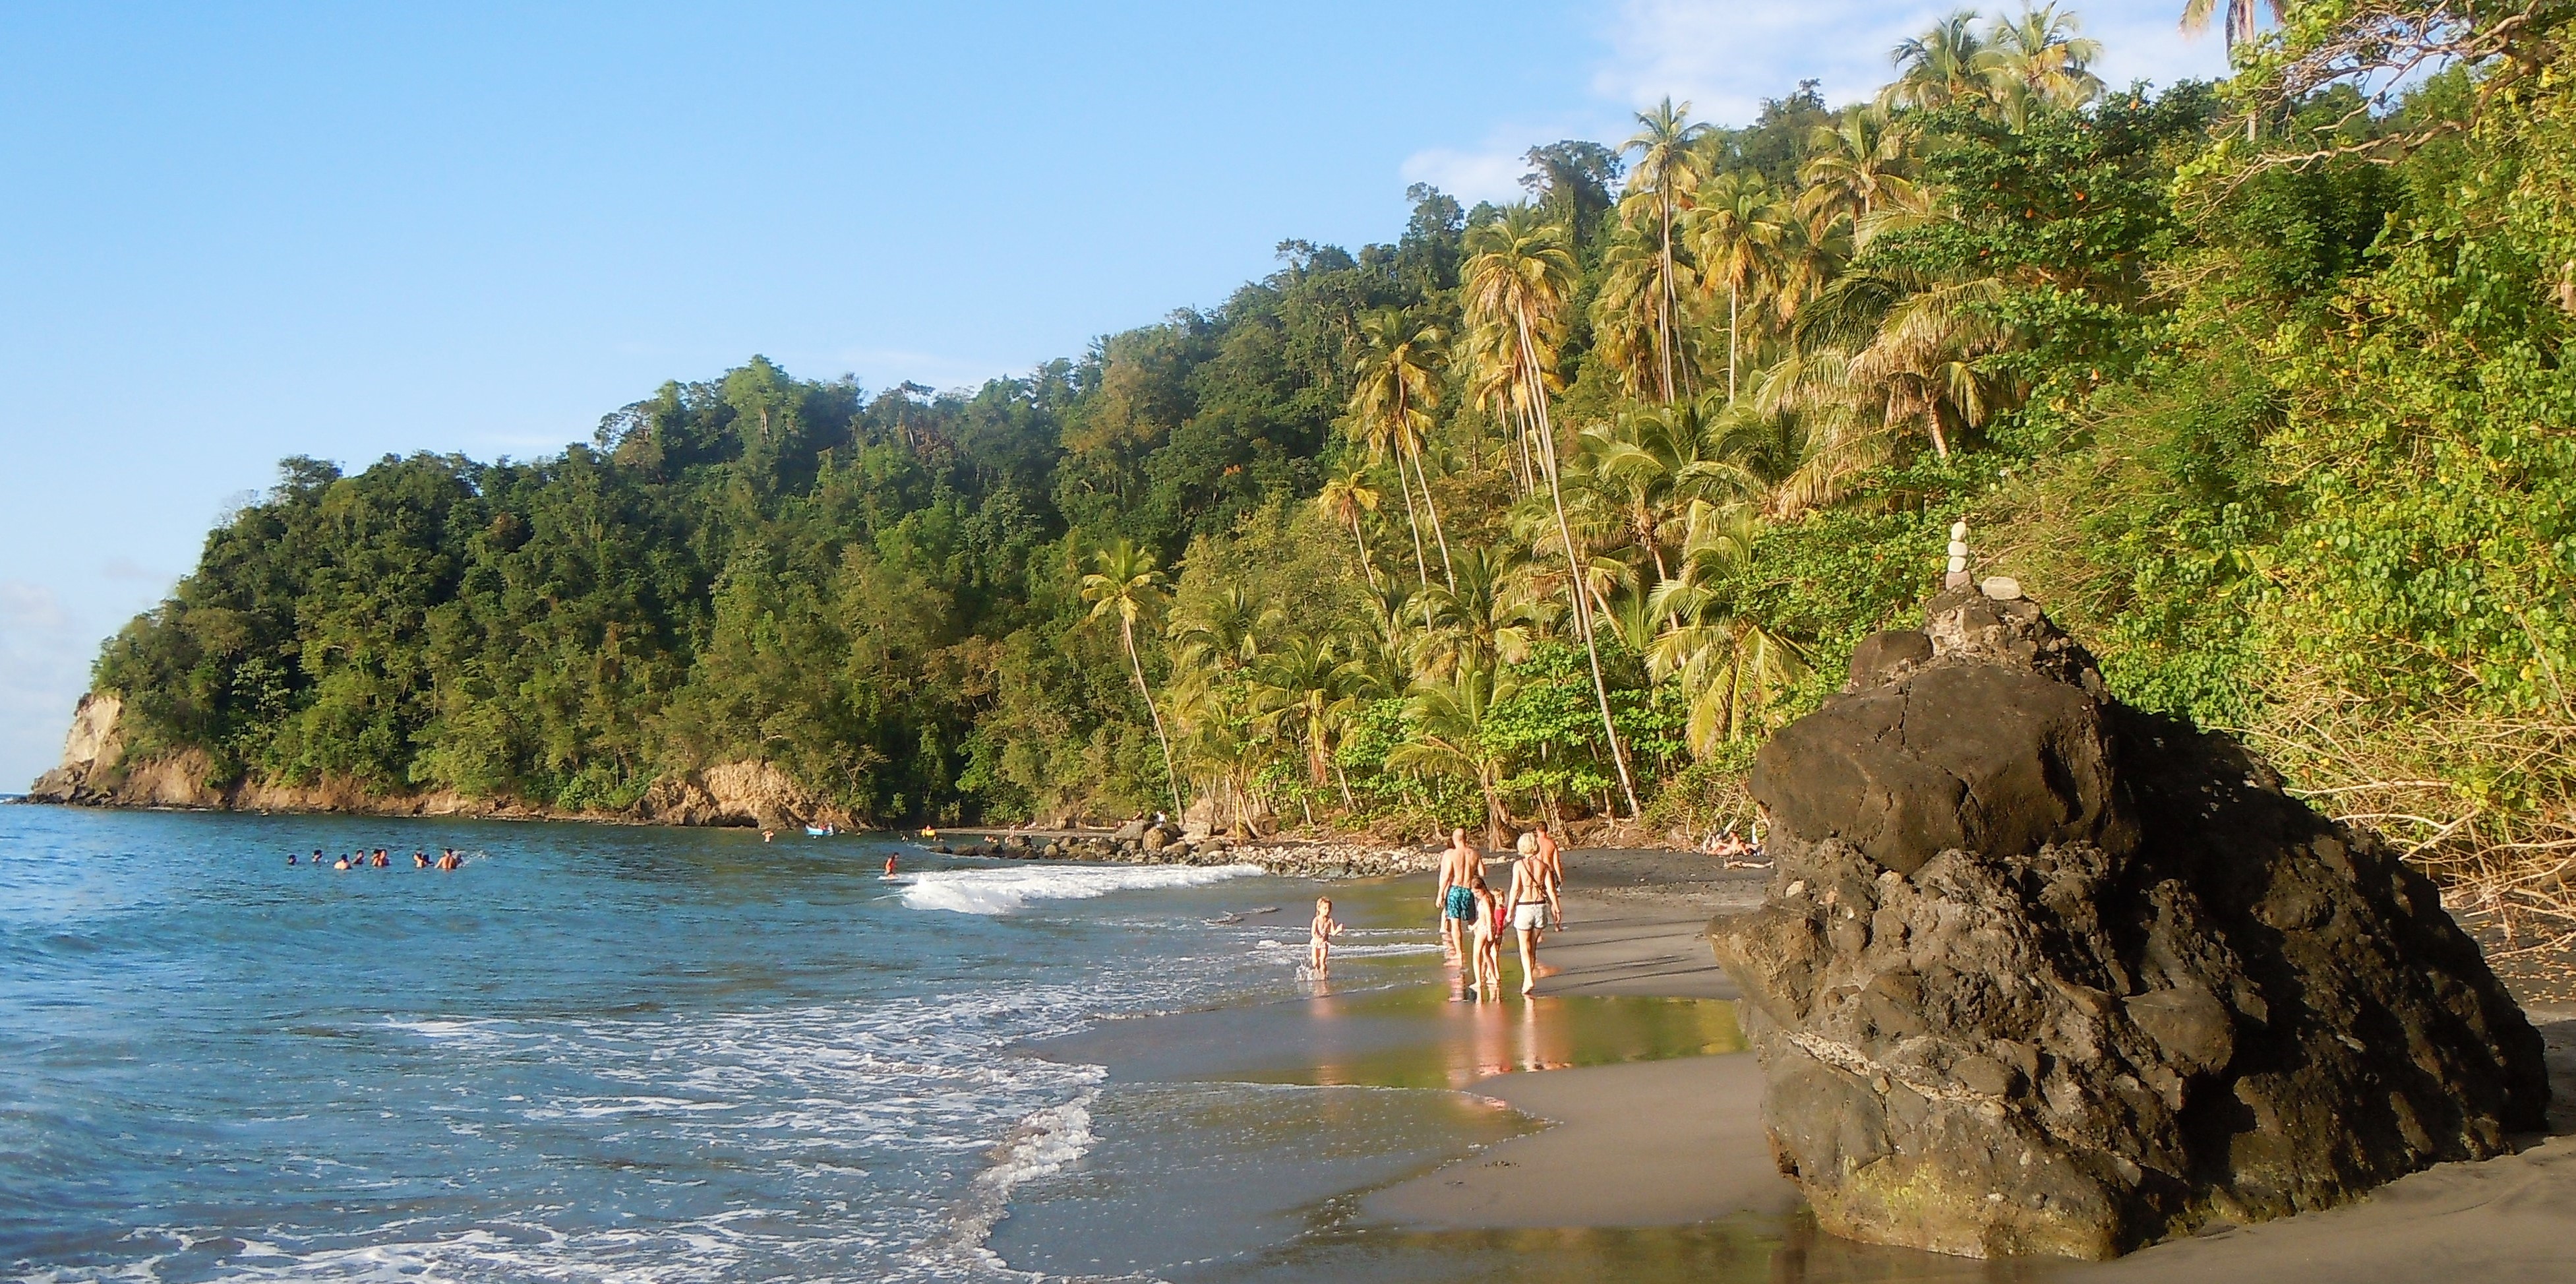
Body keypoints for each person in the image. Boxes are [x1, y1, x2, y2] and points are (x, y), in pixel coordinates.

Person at [1434, 828, 1482, 964]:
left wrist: (1440, 894)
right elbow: (1483, 873)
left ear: (1455, 840)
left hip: (1455, 890)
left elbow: (1447, 876)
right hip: (1468, 890)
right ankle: (1482, 948)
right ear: (1466, 838)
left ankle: (1460, 954)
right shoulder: (1474, 854)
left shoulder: (1452, 855)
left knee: (1456, 924)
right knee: (1473, 922)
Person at [1507, 849, 1552, 995]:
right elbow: (1550, 889)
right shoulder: (1544, 865)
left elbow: (1515, 889)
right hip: (1540, 905)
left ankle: (1528, 977)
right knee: (1532, 946)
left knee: (1524, 946)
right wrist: (1556, 907)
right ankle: (1529, 976)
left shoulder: (1519, 865)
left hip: (1525, 905)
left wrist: (1510, 911)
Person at [1470, 876, 1505, 1000]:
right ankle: (1494, 978)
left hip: (1486, 928)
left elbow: (1489, 916)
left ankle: (1479, 981)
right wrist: (1474, 925)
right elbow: (1483, 915)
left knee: (1476, 954)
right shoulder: (1490, 896)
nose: (1476, 895)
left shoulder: (1485, 899)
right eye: (1474, 893)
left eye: (1477, 892)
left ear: (1483, 888)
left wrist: (1490, 932)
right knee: (1486, 953)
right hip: (1489, 927)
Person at [1307, 896, 1345, 979]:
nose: (1327, 911)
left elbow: (1333, 932)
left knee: (1323, 961)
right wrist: (1318, 938)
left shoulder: (1330, 921)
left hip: (1324, 944)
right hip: (1316, 943)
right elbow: (1313, 933)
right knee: (1315, 962)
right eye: (1325, 908)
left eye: (1329, 909)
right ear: (1319, 908)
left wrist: (1338, 929)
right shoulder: (1316, 920)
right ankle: (1317, 974)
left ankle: (1324, 977)